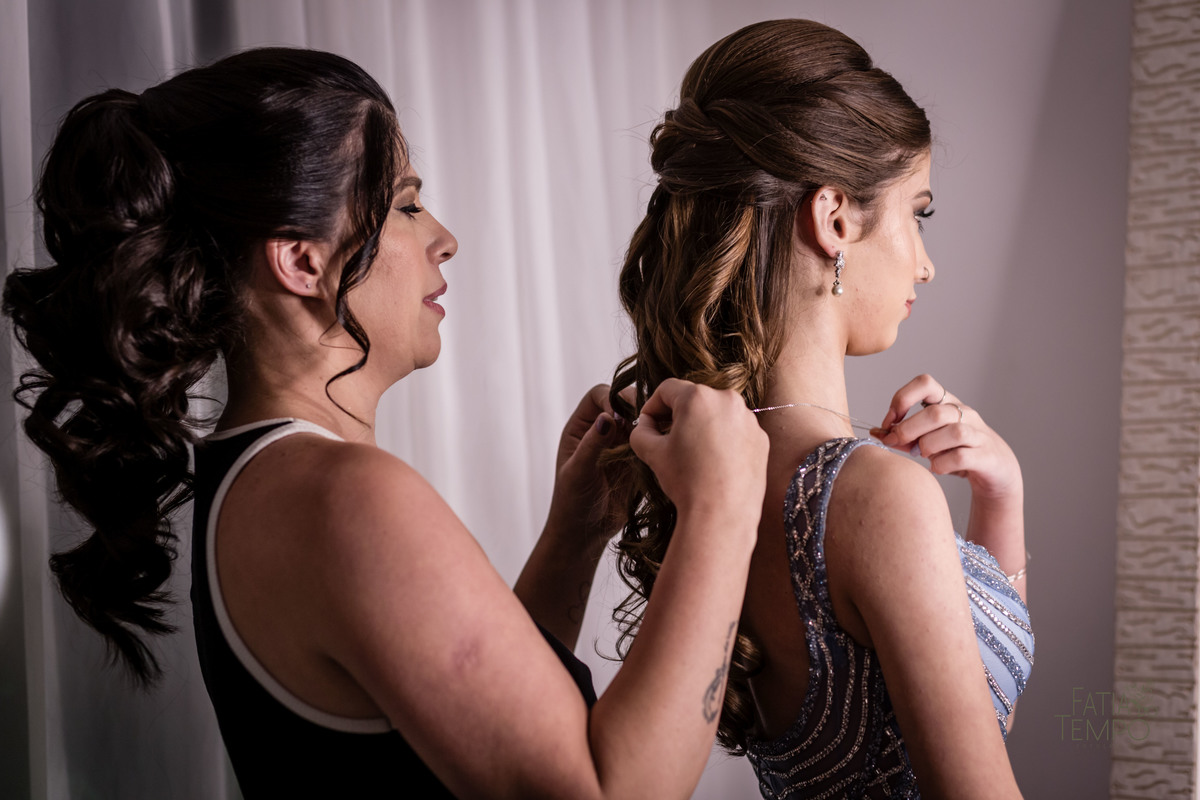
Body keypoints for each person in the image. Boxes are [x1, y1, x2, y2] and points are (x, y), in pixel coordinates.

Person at [4, 47, 771, 798]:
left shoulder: (259, 478)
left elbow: (486, 740)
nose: (444, 238)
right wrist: (722, 506)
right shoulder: (340, 496)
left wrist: (574, 535)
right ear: (302, 261)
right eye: (406, 204)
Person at [608, 19, 1032, 800]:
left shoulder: (717, 479)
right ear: (835, 217)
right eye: (918, 213)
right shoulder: (875, 496)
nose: (926, 265)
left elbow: (972, 707)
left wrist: (999, 497)